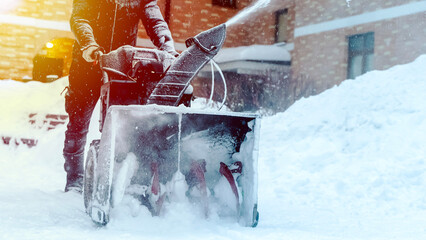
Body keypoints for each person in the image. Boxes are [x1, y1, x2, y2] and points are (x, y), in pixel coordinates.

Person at [63, 0, 179, 192]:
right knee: (78, 124)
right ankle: (75, 179)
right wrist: (88, 44)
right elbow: (80, 17)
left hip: (120, 68)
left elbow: (154, 20)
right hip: (87, 64)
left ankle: (113, 178)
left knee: (121, 128)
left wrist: (167, 48)